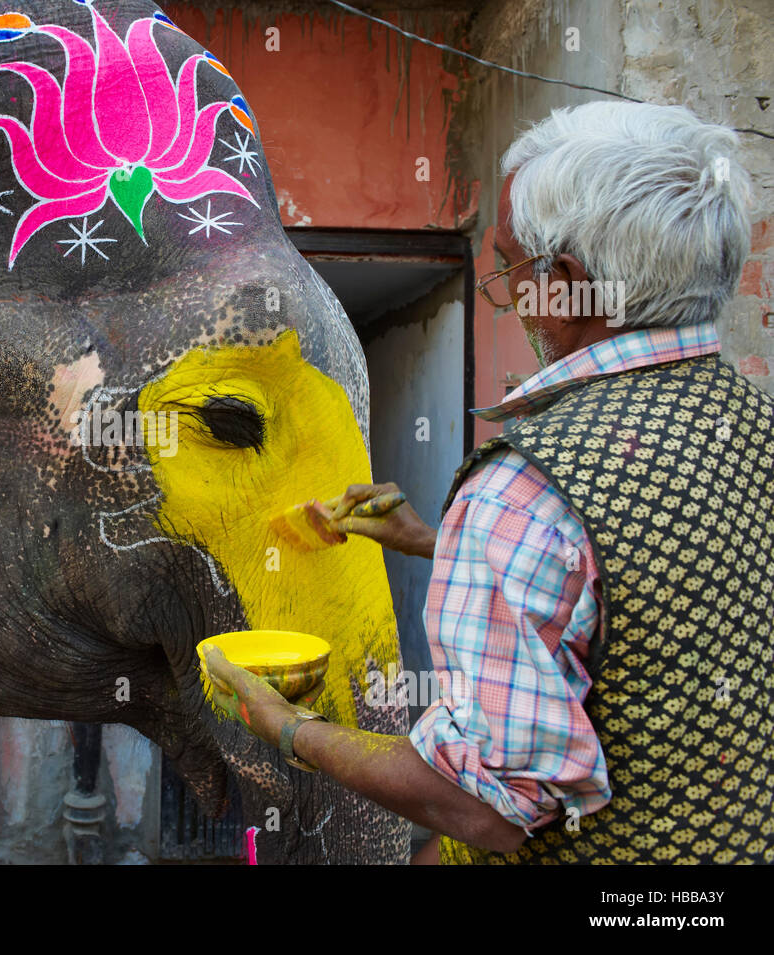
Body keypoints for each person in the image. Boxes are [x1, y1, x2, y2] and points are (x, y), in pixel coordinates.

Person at [204, 100, 774, 864]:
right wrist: (434, 542)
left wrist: (289, 728)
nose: (502, 287)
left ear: (566, 284)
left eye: (509, 266)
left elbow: (489, 802)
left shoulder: (522, 491)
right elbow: (663, 592)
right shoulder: (750, 420)